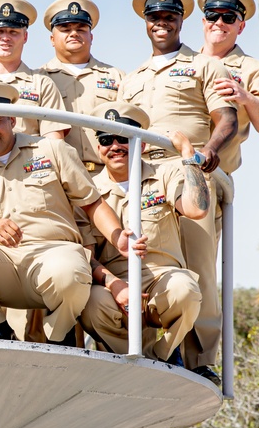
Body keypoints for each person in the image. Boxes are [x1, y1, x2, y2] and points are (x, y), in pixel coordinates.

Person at [0, 81, 142, 343]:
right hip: (2, 264)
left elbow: (93, 203)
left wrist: (116, 236)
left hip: (53, 256)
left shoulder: (51, 150)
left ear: (12, 119)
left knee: (71, 271)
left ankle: (58, 337)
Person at [120, 0, 238, 382]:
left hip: (188, 168)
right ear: (145, 23)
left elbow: (227, 119)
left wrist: (206, 153)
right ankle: (159, 348)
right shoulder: (130, 77)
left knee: (200, 265)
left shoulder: (206, 65)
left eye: (169, 17)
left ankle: (201, 358)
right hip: (144, 176)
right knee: (152, 263)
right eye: (154, 17)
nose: (161, 23)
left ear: (181, 21)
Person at [78, 102, 205, 363]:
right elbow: (86, 256)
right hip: (116, 284)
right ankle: (130, 360)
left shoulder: (164, 174)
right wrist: (115, 286)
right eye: (105, 139)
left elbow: (196, 209)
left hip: (163, 280)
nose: (115, 146)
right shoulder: (87, 191)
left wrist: (188, 155)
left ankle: (162, 357)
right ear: (97, 147)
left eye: (124, 138)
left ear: (142, 144)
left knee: (185, 290)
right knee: (91, 303)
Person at [196, 0, 259, 194]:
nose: (219, 22)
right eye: (212, 15)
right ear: (203, 21)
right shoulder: (184, 63)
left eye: (228, 18)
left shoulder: (254, 70)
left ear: (240, 27)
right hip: (168, 171)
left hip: (212, 176)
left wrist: (246, 97)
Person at [38, 0, 124, 172]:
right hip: (60, 175)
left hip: (109, 175)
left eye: (80, 28)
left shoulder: (117, 77)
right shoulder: (38, 79)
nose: (74, 33)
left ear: (91, 36)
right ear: (52, 39)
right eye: (65, 28)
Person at [0, 0, 66, 139]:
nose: (5, 37)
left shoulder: (42, 84)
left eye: (13, 32)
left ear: (25, 37)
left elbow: (53, 144)